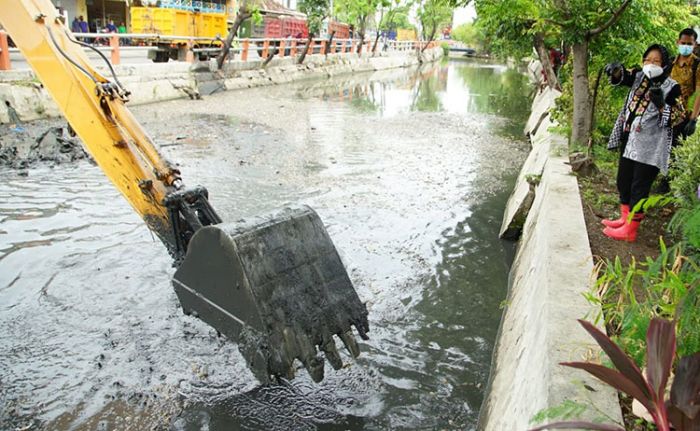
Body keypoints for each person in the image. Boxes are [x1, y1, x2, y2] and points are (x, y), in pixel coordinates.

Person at [602, 44, 685, 242]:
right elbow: (623, 76)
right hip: (630, 139)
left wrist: (661, 105)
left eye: (656, 61)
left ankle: (631, 230)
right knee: (624, 180)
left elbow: (678, 117)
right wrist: (615, 70)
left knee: (640, 186)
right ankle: (624, 219)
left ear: (664, 64)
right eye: (647, 60)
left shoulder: (672, 87)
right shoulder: (639, 76)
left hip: (650, 146)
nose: (650, 64)